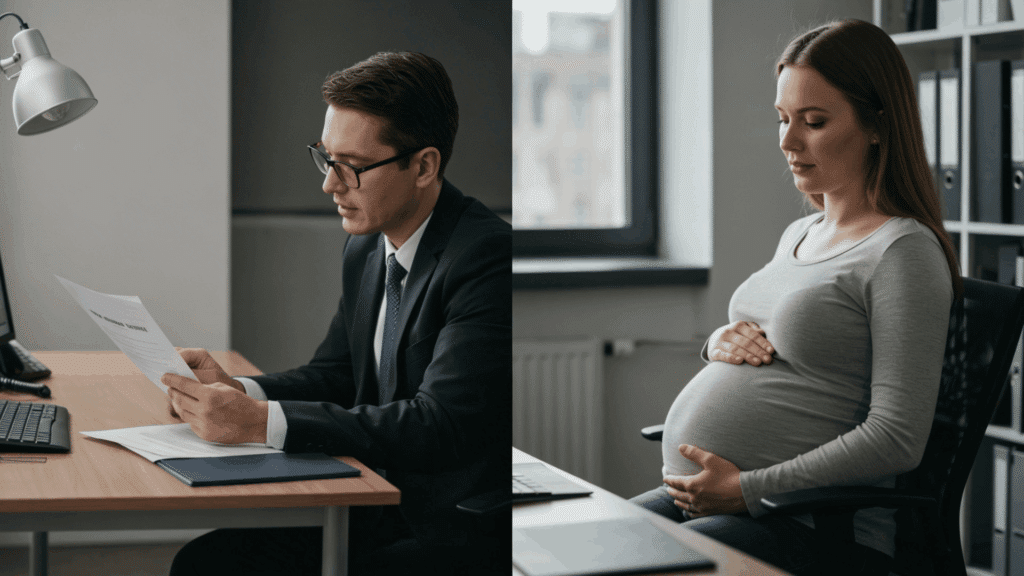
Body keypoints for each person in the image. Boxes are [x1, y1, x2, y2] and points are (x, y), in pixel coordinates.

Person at [630, 19, 961, 576]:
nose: (787, 142)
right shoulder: (801, 233)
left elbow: (897, 439)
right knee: (585, 542)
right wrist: (718, 344)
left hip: (815, 525)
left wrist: (748, 490)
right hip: (736, 505)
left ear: (877, 123)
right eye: (783, 119)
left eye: (814, 122)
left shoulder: (903, 252)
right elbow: (788, 351)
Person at [164, 51, 511, 576]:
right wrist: (242, 390)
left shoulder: (485, 256)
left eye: (351, 166)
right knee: (205, 563)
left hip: (449, 524)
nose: (330, 184)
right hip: (374, 495)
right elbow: (338, 373)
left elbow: (437, 423)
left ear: (424, 166)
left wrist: (259, 423)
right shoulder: (368, 246)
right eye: (326, 158)